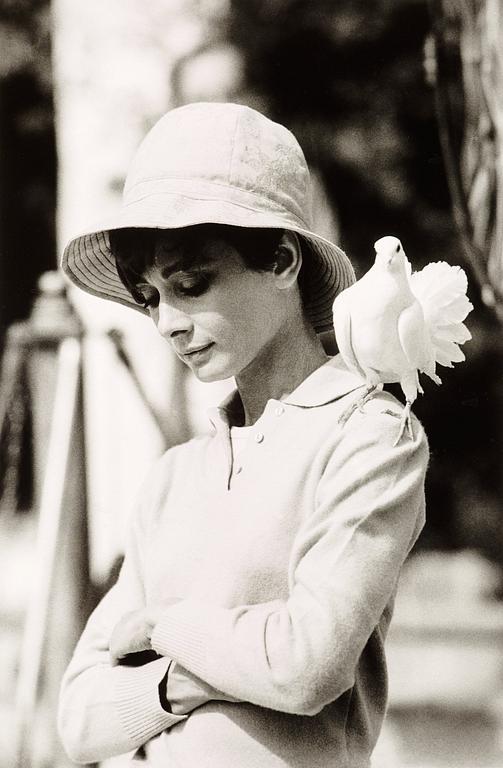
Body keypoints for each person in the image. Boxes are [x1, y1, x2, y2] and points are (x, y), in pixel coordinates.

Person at [58, 102, 428, 767]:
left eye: (191, 284)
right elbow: (80, 717)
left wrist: (160, 625)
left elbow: (308, 666)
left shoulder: (370, 437)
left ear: (281, 260)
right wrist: (185, 680)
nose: (167, 323)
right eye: (149, 297)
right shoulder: (174, 475)